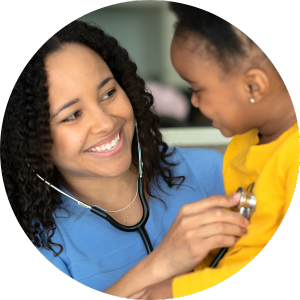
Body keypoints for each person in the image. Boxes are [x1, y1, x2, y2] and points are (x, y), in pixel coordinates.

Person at [0, 20, 250, 297]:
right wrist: (160, 264)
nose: (105, 123)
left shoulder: (214, 171)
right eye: (72, 115)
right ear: (30, 140)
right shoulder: (42, 240)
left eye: (108, 93)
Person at [129, 3, 299, 299]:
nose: (193, 102)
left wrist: (174, 290)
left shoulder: (292, 157)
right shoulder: (243, 143)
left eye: (197, 89)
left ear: (253, 86)